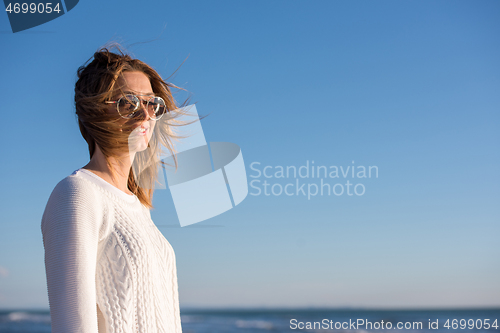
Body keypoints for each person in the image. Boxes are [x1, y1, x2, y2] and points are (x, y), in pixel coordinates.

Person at [41, 45, 189, 333]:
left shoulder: (138, 206)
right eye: (128, 103)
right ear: (95, 112)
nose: (145, 114)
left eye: (151, 103)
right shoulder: (77, 194)